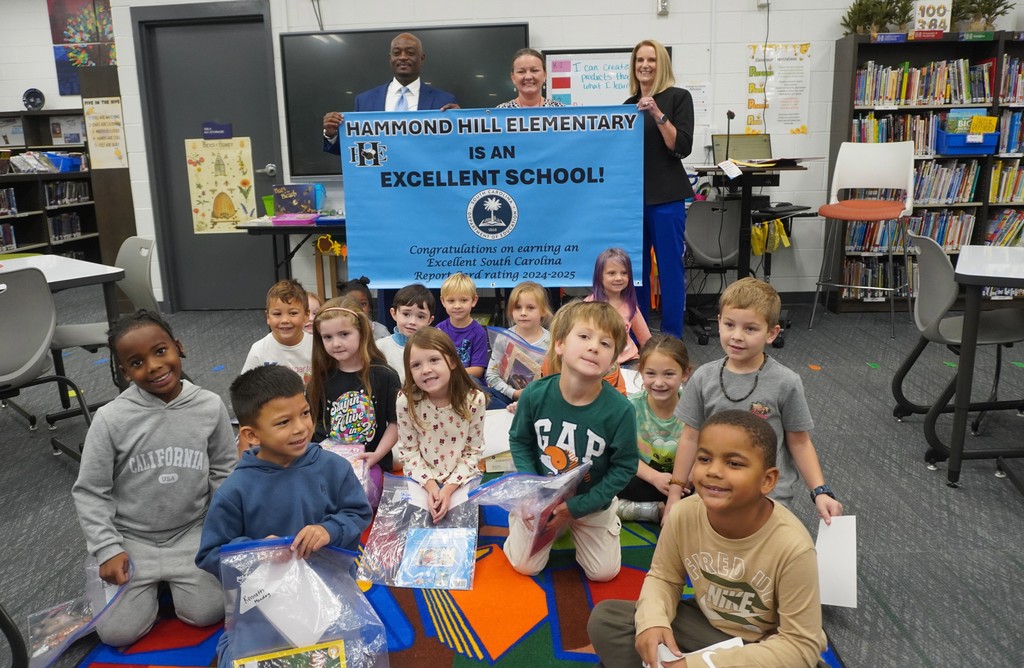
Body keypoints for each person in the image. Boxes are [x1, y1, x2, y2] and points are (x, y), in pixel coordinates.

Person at [588, 410, 827, 668]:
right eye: (704, 458)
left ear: (767, 480)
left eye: (734, 463)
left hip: (762, 645)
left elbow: (800, 644)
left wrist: (698, 665)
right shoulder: (683, 513)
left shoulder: (793, 547)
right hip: (704, 627)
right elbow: (663, 577)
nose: (713, 471)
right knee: (607, 620)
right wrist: (652, 622)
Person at [72, 310, 235, 647]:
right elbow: (91, 490)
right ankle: (149, 584)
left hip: (191, 531)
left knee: (210, 611)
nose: (154, 366)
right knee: (116, 633)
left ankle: (169, 584)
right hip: (133, 539)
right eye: (136, 362)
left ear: (178, 347)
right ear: (124, 372)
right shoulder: (110, 419)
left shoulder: (209, 406)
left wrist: (222, 531)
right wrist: (107, 549)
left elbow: (224, 471)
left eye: (160, 351)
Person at [196, 365, 373, 668]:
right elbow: (210, 554)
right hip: (263, 604)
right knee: (246, 660)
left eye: (304, 413)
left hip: (326, 594)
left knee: (349, 658)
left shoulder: (334, 468)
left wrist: (329, 529)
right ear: (251, 434)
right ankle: (233, 641)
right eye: (283, 422)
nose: (301, 428)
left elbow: (358, 512)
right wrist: (254, 553)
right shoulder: (235, 490)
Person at [668, 277, 844, 523]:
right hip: (714, 490)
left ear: (772, 333)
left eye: (750, 329)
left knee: (762, 559)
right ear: (718, 323)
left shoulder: (785, 382)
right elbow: (690, 437)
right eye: (729, 325)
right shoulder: (703, 377)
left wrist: (820, 491)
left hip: (767, 496)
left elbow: (800, 443)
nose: (737, 336)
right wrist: (675, 495)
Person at [505, 300, 638, 582]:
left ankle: (600, 519)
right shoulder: (534, 395)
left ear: (613, 359)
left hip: (590, 500)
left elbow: (624, 467)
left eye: (606, 344)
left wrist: (579, 507)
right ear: (560, 345)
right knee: (525, 566)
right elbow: (519, 440)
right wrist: (533, 490)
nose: (594, 347)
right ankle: (525, 519)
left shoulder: (621, 410)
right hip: (542, 497)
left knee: (603, 573)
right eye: (585, 336)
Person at [625, 39, 695, 339]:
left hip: (667, 198)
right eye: (639, 60)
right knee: (635, 276)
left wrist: (656, 112)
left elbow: (681, 146)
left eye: (651, 59)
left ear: (661, 64)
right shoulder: (627, 106)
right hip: (633, 201)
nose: (645, 65)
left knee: (669, 271)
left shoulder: (678, 97)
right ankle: (639, 340)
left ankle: (671, 340)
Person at [395, 327, 486, 523]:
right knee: (413, 527)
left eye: (434, 360)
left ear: (452, 361)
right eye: (416, 365)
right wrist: (431, 486)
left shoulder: (474, 399)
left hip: (462, 478)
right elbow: (408, 451)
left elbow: (472, 451)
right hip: (421, 478)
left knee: (464, 527)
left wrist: (449, 489)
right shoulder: (406, 401)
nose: (426, 370)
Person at [306, 297, 401, 473]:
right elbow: (311, 425)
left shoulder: (384, 375)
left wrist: (377, 455)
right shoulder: (320, 378)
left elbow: (396, 422)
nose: (336, 343)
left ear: (362, 332)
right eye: (327, 337)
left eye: (344, 334)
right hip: (328, 466)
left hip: (371, 464)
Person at [322, 32, 458, 155]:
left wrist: (459, 126)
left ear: (422, 58)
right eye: (397, 53)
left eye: (410, 53)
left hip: (424, 180)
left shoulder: (444, 101)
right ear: (390, 58)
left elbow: (454, 149)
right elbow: (351, 149)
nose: (403, 57)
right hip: (378, 180)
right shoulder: (364, 101)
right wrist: (331, 134)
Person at [618, 334, 692, 524]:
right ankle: (652, 511)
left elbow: (703, 454)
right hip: (644, 479)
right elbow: (625, 456)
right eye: (651, 374)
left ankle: (656, 509)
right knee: (607, 478)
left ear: (685, 373)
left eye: (669, 374)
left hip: (682, 484)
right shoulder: (630, 408)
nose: (659, 382)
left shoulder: (694, 409)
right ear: (640, 372)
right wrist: (655, 478)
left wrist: (684, 482)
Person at [485, 281, 551, 407]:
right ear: (511, 311)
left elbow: (555, 380)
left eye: (530, 308)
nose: (523, 313)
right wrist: (514, 393)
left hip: (538, 399)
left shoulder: (551, 342)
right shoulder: (504, 338)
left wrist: (533, 394)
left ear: (543, 311)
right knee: (482, 393)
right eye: (518, 307)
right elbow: (491, 375)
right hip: (506, 396)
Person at [587, 247, 652, 366]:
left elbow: (646, 340)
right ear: (599, 276)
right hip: (598, 362)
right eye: (611, 273)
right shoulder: (588, 305)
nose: (618, 278)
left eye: (624, 273)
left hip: (629, 361)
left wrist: (650, 363)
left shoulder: (631, 306)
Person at [241, 279, 313, 385]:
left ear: (306, 316)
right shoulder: (259, 351)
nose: (285, 320)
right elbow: (245, 388)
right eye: (277, 314)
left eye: (293, 313)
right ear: (268, 317)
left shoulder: (317, 345)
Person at [377, 283, 436, 383]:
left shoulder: (434, 348)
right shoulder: (379, 347)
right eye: (406, 314)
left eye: (420, 317)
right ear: (394, 313)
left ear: (430, 320)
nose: (412, 322)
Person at [436, 272, 489, 379]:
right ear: (443, 301)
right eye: (451, 301)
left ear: (474, 300)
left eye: (463, 300)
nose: (457, 306)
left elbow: (478, 370)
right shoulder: (438, 330)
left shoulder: (479, 332)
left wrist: (450, 374)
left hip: (469, 383)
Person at [496, 48, 566, 109]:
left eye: (534, 70)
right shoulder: (500, 112)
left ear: (544, 75)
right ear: (513, 77)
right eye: (521, 71)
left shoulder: (560, 111)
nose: (528, 77)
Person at [338, 276, 390, 340]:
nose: (358, 308)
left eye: (363, 304)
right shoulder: (336, 331)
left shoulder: (380, 332)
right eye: (351, 303)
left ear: (369, 306)